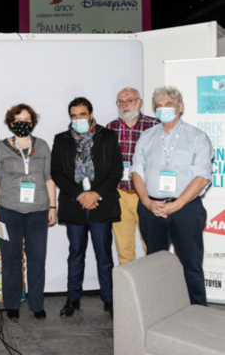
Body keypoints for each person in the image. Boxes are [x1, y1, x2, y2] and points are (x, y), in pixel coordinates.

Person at [131, 86, 213, 306]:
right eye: (158, 106)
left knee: (191, 265)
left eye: (168, 104)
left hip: (185, 210)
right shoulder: (146, 137)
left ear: (180, 107)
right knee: (154, 266)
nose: (163, 109)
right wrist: (147, 202)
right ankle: (159, 312)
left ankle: (197, 313)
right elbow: (136, 171)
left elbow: (202, 177)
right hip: (151, 210)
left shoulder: (197, 137)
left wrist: (175, 206)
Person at [50, 97, 122, 318]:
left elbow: (115, 170)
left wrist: (95, 194)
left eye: (82, 114)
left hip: (101, 204)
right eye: (74, 115)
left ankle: (110, 300)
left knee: (104, 255)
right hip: (75, 205)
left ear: (90, 114)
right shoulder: (61, 139)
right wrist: (81, 194)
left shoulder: (107, 136)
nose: (78, 119)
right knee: (75, 254)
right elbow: (57, 172)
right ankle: (73, 299)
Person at [0, 104, 56, 322]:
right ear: (10, 123)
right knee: (11, 260)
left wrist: (53, 207)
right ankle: (12, 304)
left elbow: (49, 177)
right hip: (8, 211)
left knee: (37, 259)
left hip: (38, 211)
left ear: (33, 121)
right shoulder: (0, 147)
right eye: (17, 120)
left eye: (26, 119)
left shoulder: (43, 146)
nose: (22, 124)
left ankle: (36, 304)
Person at [106, 87, 159, 264]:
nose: (124, 105)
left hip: (145, 195)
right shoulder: (110, 128)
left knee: (151, 247)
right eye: (120, 102)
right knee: (124, 249)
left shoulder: (154, 126)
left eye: (129, 100)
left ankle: (153, 290)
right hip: (119, 195)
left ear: (140, 102)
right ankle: (128, 291)